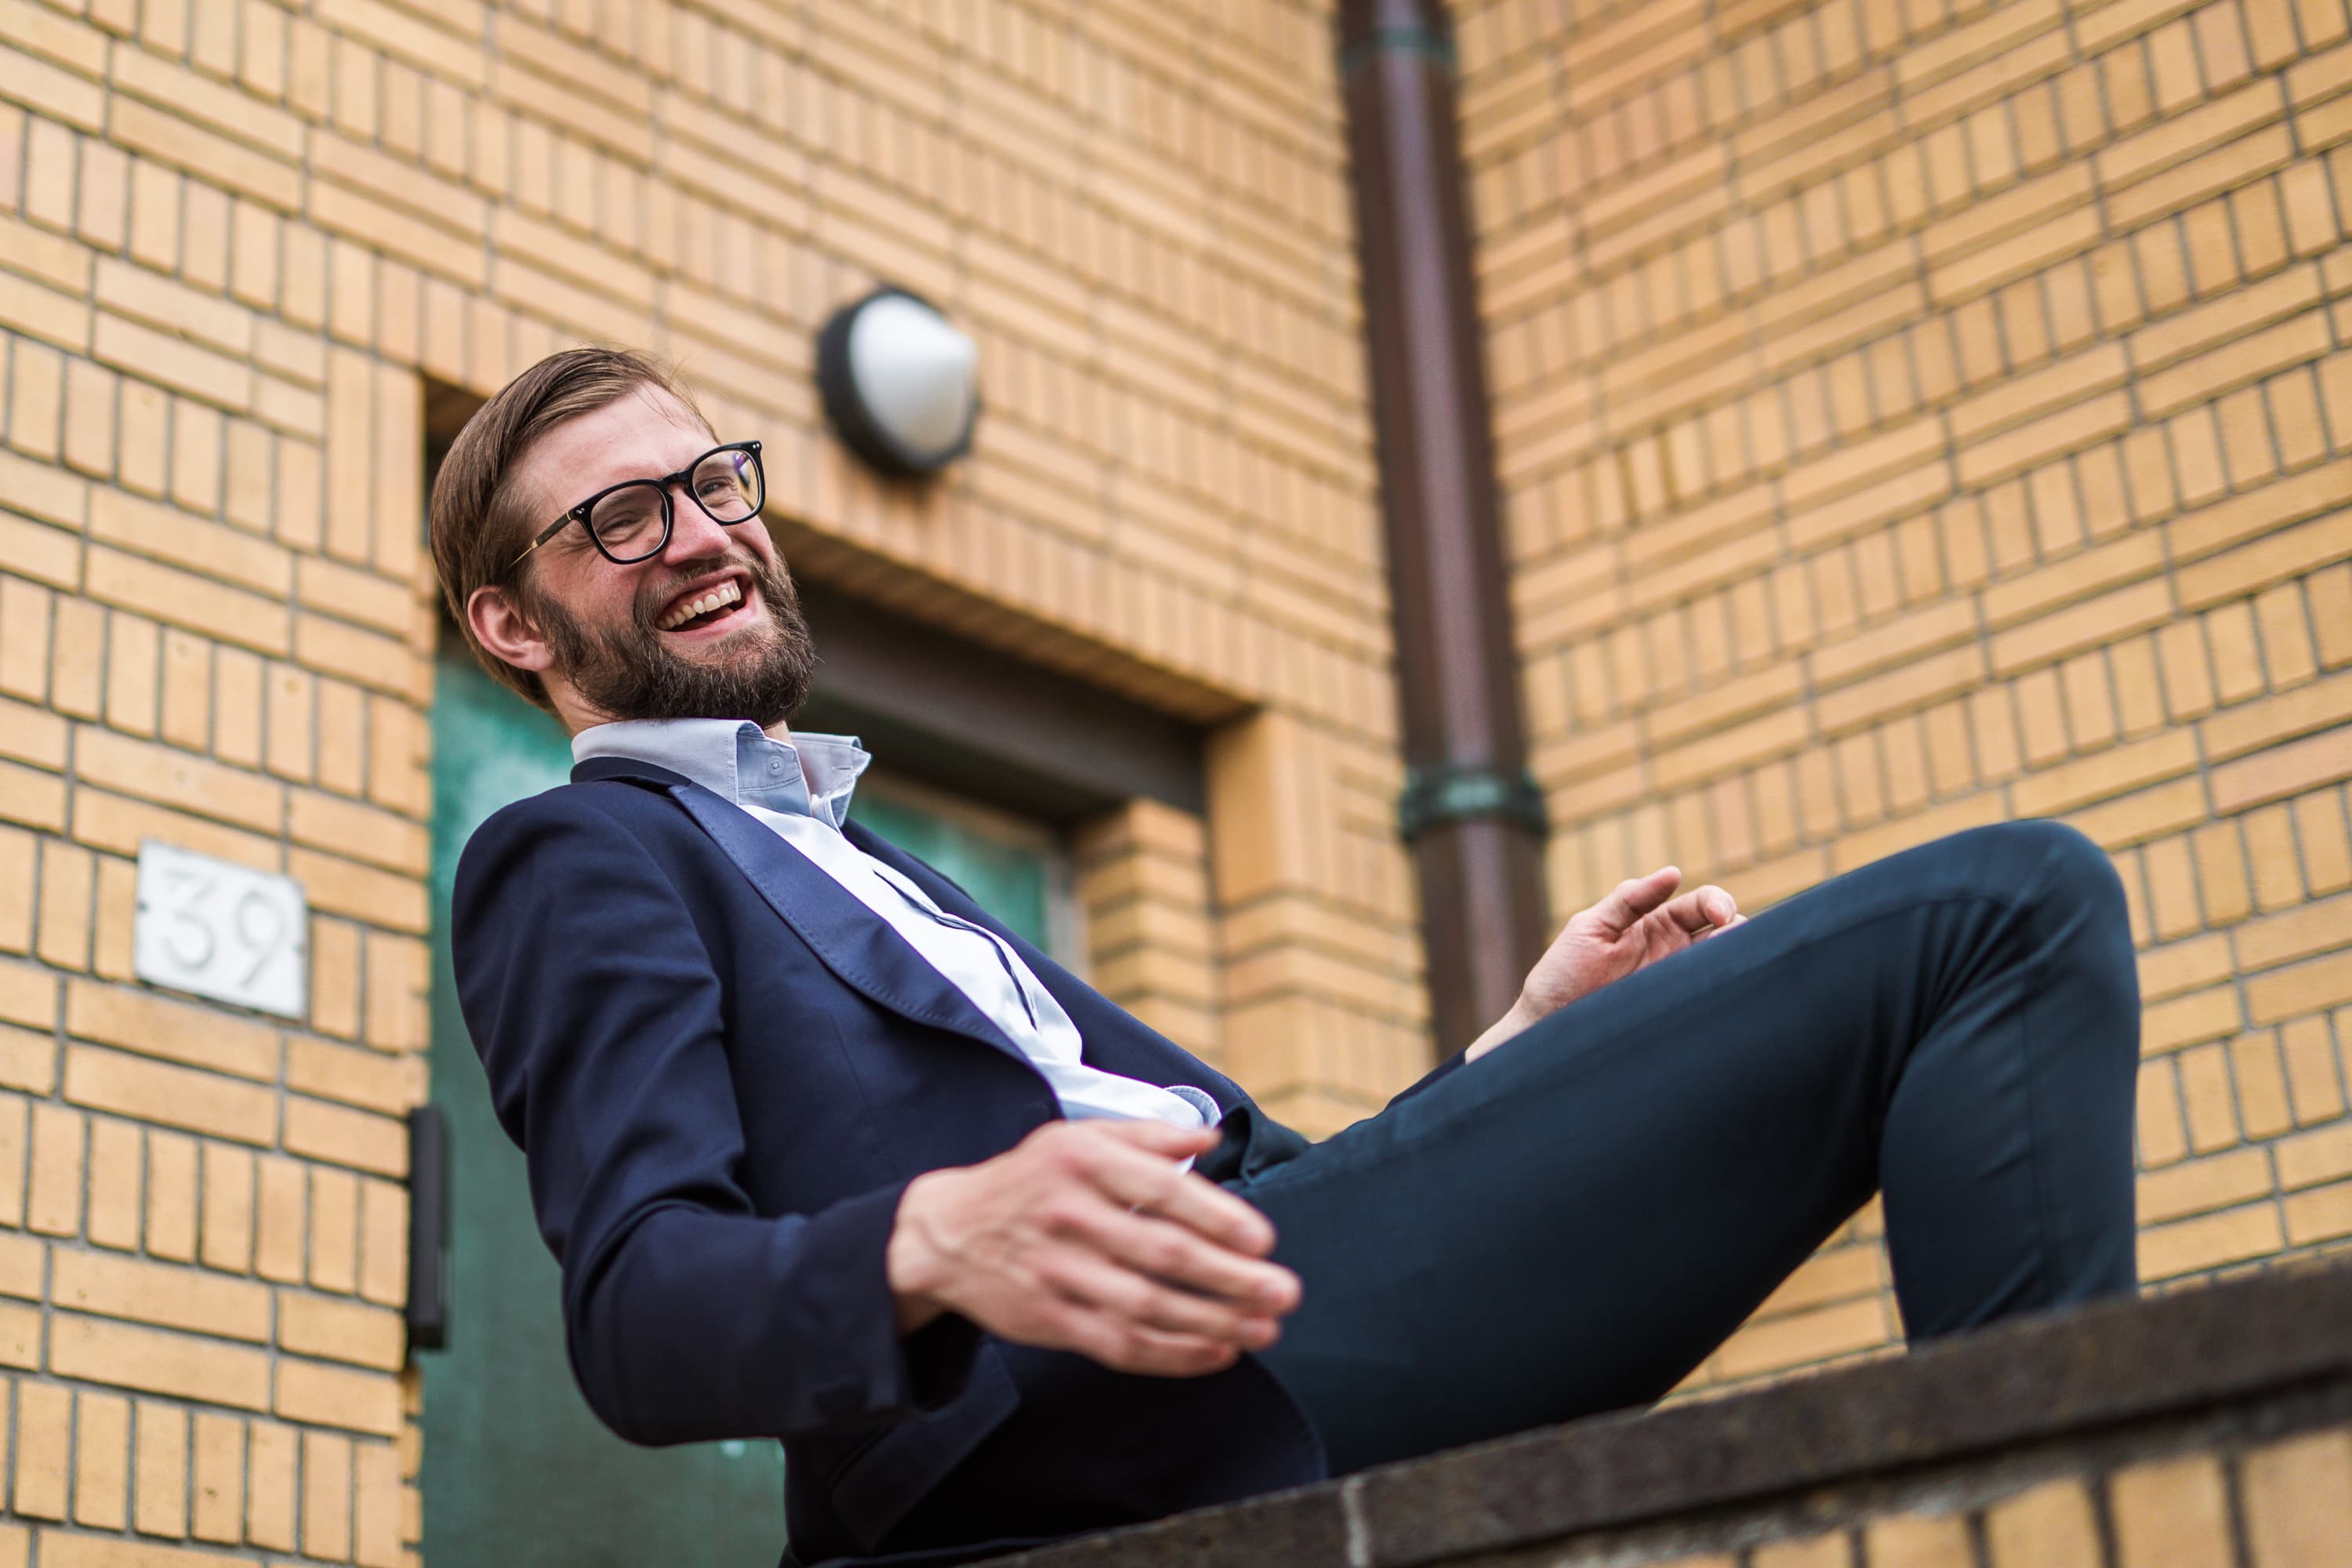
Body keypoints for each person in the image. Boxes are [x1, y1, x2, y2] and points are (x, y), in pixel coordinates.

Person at [435, 347, 2142, 1568]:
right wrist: (943, 1235)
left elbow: (1282, 1188)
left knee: (1995, 923)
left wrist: (1518, 1057)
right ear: (514, 623)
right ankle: (2077, 1514)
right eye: (626, 519)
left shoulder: (846, 853)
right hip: (1094, 1413)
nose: (710, 532)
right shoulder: (576, 852)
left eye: (716, 481)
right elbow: (642, 1314)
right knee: (2002, 913)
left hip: (1273, 1285)